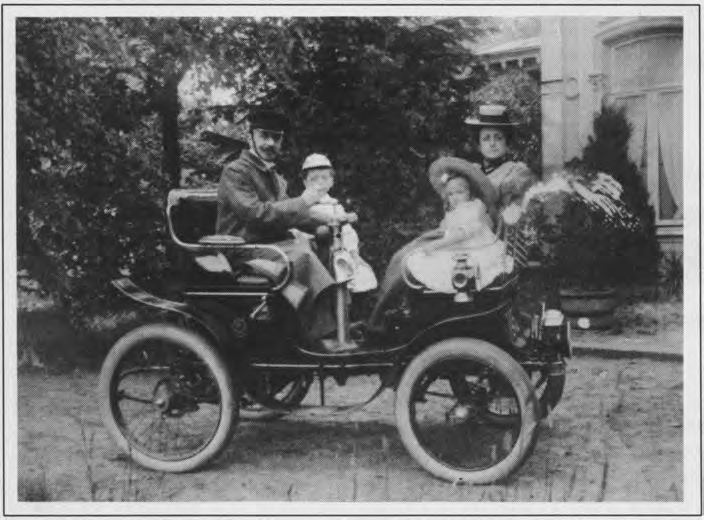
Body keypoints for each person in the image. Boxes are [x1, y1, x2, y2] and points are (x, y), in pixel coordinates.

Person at [365, 104, 536, 338]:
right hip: (462, 233)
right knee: (403, 255)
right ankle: (389, 314)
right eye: (486, 138)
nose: (493, 143)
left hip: (487, 239)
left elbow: (508, 207)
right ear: (478, 143)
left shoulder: (515, 172)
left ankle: (384, 319)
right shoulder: (470, 172)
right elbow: (452, 201)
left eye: (498, 137)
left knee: (411, 258)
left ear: (507, 142)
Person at [216, 105, 345, 351]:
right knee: (302, 254)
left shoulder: (276, 178)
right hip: (241, 248)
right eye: (264, 135)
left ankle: (319, 327)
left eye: (276, 137)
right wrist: (304, 200)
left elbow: (292, 216)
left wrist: (330, 223)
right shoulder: (235, 172)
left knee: (323, 246)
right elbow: (256, 215)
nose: (270, 143)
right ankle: (318, 335)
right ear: (250, 136)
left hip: (269, 246)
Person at [405, 173, 512, 293]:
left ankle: (462, 287)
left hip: (475, 247)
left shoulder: (472, 208)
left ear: (470, 193)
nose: (454, 198)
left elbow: (463, 233)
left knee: (460, 264)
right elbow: (447, 230)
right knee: (426, 257)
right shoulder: (454, 211)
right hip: (457, 247)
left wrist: (439, 244)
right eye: (450, 194)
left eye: (459, 192)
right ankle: (454, 290)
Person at [294, 153, 377, 294]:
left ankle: (341, 312)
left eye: (325, 177)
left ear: (332, 181)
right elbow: (297, 231)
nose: (319, 182)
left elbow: (348, 232)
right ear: (305, 182)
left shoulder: (335, 206)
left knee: (344, 281)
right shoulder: (301, 205)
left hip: (336, 255)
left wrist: (354, 254)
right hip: (313, 256)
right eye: (314, 179)